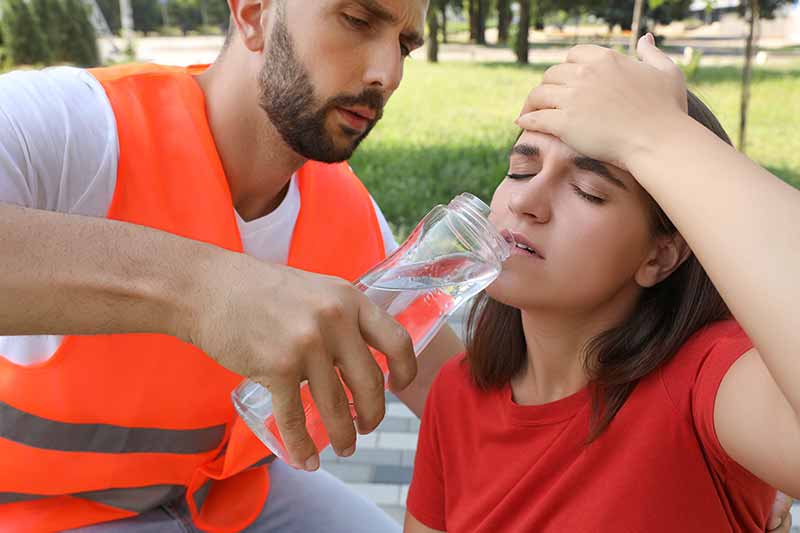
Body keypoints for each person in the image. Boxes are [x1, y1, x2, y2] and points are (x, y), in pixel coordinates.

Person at [0, 0, 465, 531]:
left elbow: (456, 398)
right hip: (33, 510)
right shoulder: (72, 126)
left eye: (405, 46)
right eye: (358, 21)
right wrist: (202, 290)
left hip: (230, 497)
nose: (389, 74)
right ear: (252, 13)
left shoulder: (349, 217)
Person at [405, 35, 800, 532]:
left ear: (660, 254)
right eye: (521, 168)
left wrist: (661, 137)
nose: (529, 201)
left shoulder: (706, 385)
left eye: (588, 191)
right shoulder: (457, 393)